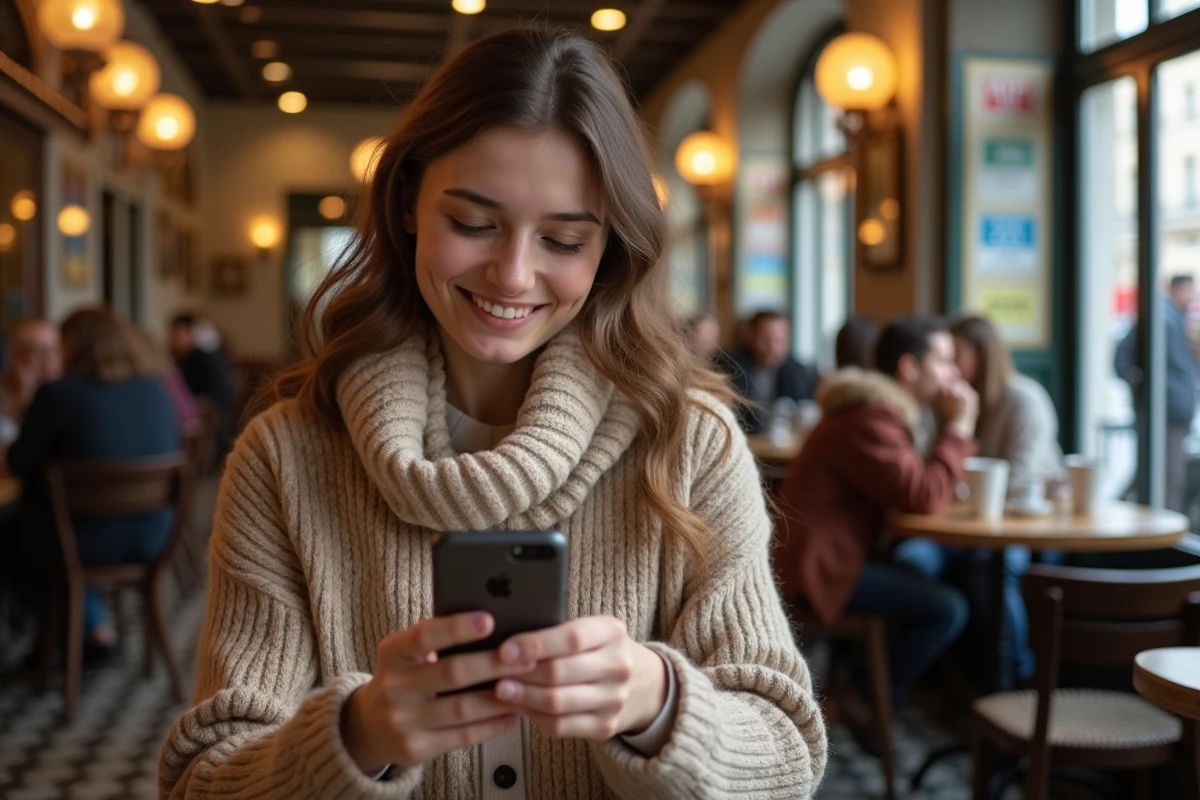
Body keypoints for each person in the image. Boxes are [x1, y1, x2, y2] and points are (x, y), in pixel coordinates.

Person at [160, 28, 826, 799]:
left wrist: (657, 704)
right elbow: (203, 778)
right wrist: (358, 736)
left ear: (610, 247)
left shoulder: (689, 445)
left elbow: (787, 757)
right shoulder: (287, 458)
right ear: (408, 203)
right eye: (473, 223)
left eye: (563, 240)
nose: (512, 274)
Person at [774, 316, 975, 713]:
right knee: (948, 609)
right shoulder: (871, 416)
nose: (953, 373)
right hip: (819, 571)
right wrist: (960, 426)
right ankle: (863, 701)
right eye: (943, 361)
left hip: (831, 559)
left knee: (930, 568)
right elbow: (924, 494)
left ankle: (866, 687)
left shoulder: (877, 411)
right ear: (909, 368)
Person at [3, 307, 180, 657]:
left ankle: (72, 631)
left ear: (73, 346)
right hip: (153, 536)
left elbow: (18, 462)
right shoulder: (156, 390)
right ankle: (86, 628)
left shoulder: (58, 394)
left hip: (82, 541)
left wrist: (24, 405)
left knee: (11, 534)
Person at [1115, 274, 1198, 512]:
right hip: (1166, 410)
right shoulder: (1161, 317)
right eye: (1190, 291)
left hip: (1170, 408)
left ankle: (1120, 510)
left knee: (1151, 471)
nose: (1192, 297)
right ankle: (1164, 527)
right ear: (1177, 290)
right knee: (1168, 477)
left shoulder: (1173, 318)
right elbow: (1123, 361)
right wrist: (1144, 389)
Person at [719, 310, 818, 434]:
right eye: (766, 340)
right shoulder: (729, 368)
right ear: (751, 337)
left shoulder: (798, 372)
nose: (773, 347)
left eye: (780, 341)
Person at [0, 319, 63, 445]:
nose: (51, 358)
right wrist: (20, 403)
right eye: (40, 351)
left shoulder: (69, 390)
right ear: (15, 355)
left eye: (56, 349)